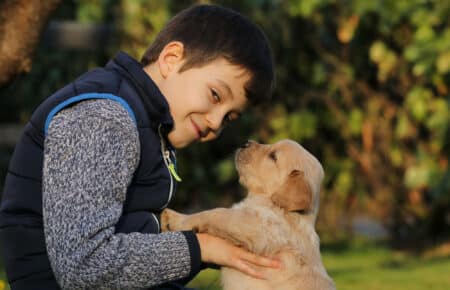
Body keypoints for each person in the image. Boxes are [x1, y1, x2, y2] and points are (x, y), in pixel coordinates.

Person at [0, 4, 278, 290]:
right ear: (171, 59)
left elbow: (133, 257)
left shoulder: (150, 126)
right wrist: (200, 248)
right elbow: (83, 265)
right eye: (215, 95)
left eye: (229, 118)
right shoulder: (104, 117)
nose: (216, 123)